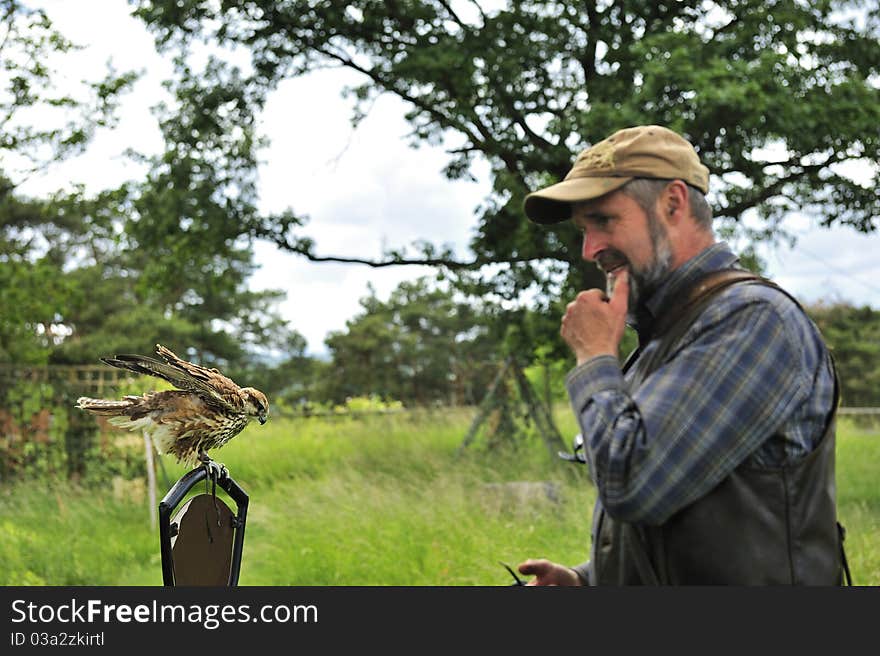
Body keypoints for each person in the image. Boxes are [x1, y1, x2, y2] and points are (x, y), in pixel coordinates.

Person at [515, 125, 847, 585]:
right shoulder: (670, 333)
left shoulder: (752, 321)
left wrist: (593, 359)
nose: (590, 249)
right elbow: (695, 524)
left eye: (604, 221)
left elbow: (633, 484)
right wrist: (587, 581)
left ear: (673, 203)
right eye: (583, 229)